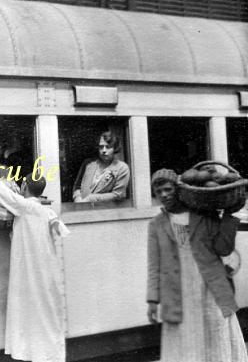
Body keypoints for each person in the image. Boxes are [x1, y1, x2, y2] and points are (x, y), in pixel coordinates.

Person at [147, 169, 248, 362]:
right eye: (158, 192)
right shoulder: (156, 225)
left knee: (215, 330)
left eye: (168, 189)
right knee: (185, 341)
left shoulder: (202, 215)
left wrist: (227, 217)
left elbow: (223, 248)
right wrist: (153, 300)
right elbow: (154, 265)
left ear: (178, 190)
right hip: (179, 292)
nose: (163, 195)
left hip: (210, 288)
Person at [0, 174, 69, 362]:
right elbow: (61, 231)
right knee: (45, 308)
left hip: (29, 266)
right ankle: (48, 353)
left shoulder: (24, 206)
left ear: (25, 185)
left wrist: (9, 184)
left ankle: (30, 351)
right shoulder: (45, 210)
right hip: (46, 267)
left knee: (29, 307)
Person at [72, 131, 130, 203]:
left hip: (104, 210)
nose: (104, 150)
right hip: (82, 208)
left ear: (115, 148)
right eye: (101, 147)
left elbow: (118, 194)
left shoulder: (122, 168)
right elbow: (77, 186)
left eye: (108, 147)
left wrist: (90, 199)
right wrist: (77, 198)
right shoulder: (88, 163)